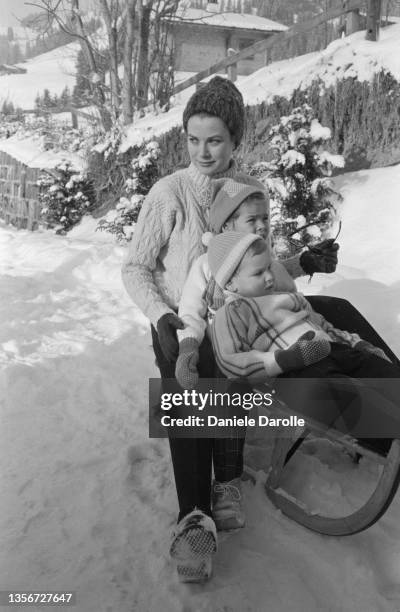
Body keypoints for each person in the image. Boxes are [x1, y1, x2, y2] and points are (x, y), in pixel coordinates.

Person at [121, 76, 341, 583]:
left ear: (235, 140)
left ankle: (228, 478)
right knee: (190, 394)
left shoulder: (248, 195)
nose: (203, 151)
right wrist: (163, 317)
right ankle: (193, 519)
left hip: (239, 320)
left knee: (242, 374)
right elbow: (135, 267)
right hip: (181, 321)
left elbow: (256, 267)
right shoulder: (168, 194)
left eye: (215, 139)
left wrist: (303, 261)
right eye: (193, 139)